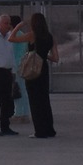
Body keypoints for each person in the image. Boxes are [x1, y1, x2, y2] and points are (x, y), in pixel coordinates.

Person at [22, 10, 58, 138]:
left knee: (34, 101)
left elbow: (12, 38)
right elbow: (56, 58)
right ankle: (49, 129)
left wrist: (19, 26)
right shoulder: (49, 37)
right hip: (44, 69)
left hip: (33, 70)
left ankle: (39, 130)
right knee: (44, 100)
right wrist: (44, 55)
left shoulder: (32, 35)